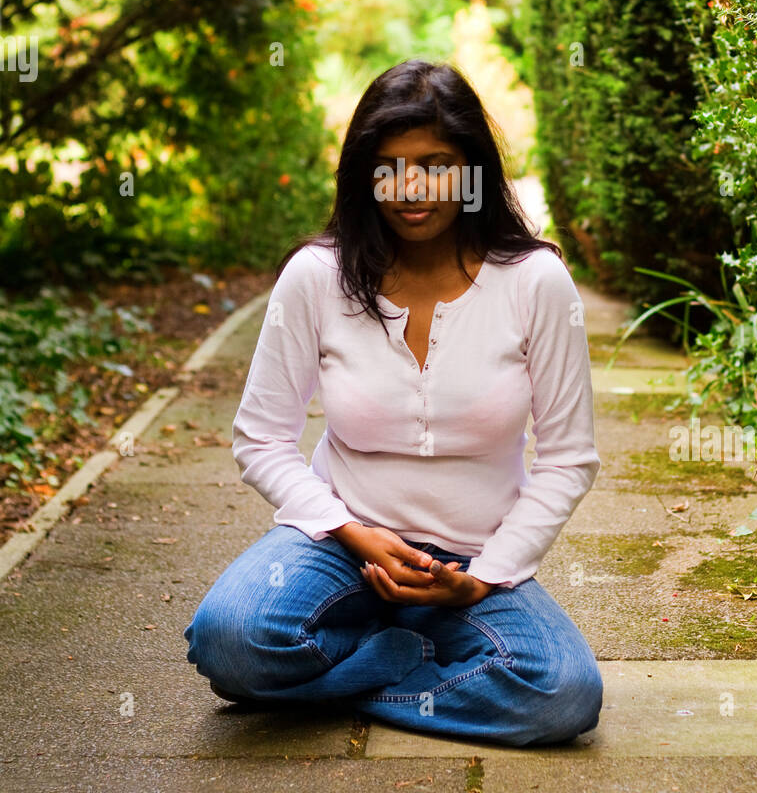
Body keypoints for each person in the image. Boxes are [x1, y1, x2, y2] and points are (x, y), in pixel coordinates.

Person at [183, 59, 603, 747]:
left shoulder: (536, 283)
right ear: (364, 174)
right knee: (230, 640)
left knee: (560, 694)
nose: (411, 189)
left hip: (471, 564)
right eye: (390, 167)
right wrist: (349, 530)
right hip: (338, 545)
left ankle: (361, 675)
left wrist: (486, 576)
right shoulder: (318, 277)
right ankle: (401, 660)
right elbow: (260, 438)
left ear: (473, 171)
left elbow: (568, 461)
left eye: (436, 165)